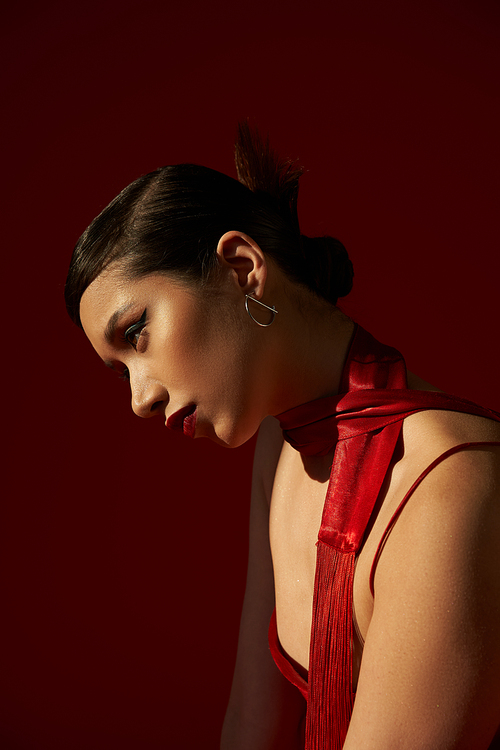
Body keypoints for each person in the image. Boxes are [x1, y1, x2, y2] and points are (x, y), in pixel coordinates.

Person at [65, 124, 500, 749]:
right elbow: (252, 724)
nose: (139, 399)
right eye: (119, 372)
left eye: (136, 334)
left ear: (242, 267)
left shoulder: (447, 482)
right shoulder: (282, 447)